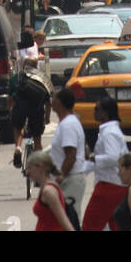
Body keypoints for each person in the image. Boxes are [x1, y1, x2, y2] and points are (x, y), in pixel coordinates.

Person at [81, 96, 128, 231]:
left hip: (109, 186)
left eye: (97, 109)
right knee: (114, 225)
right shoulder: (108, 131)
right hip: (113, 184)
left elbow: (112, 158)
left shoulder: (109, 133)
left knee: (90, 225)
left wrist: (91, 157)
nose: (94, 112)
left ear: (106, 113)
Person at [49, 87, 88, 218]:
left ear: (59, 102)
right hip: (68, 179)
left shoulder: (68, 125)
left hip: (70, 180)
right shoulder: (67, 123)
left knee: (70, 219)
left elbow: (71, 155)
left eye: (53, 97)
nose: (51, 101)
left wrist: (60, 177)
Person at [8, 49, 50, 162]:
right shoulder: (42, 78)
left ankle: (17, 147)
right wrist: (47, 118)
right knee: (37, 138)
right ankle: (39, 161)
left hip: (20, 108)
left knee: (18, 127)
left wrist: (11, 110)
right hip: (37, 110)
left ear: (24, 65)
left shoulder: (16, 78)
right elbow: (48, 101)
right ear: (36, 66)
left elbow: (10, 98)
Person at [26, 151, 77, 232]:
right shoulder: (46, 188)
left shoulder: (48, 191)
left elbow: (64, 221)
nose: (27, 172)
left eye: (29, 168)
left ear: (40, 167)